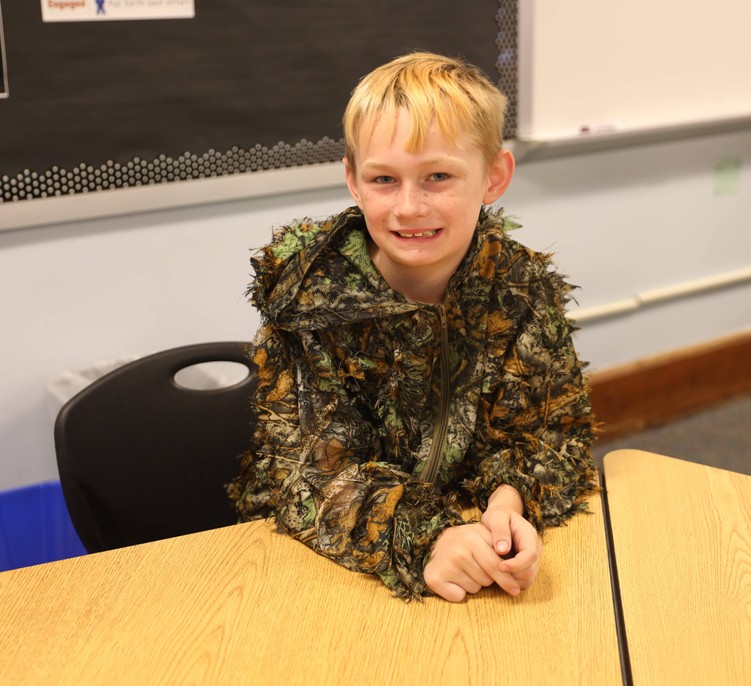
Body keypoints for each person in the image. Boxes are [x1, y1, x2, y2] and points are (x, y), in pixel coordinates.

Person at [227, 51, 598, 602]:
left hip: (475, 559)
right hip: (331, 571)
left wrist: (507, 504)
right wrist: (426, 539)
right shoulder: (309, 302)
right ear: (353, 180)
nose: (408, 207)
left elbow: (550, 433)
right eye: (383, 179)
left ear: (494, 176)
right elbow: (306, 473)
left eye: (438, 176)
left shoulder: (520, 288)